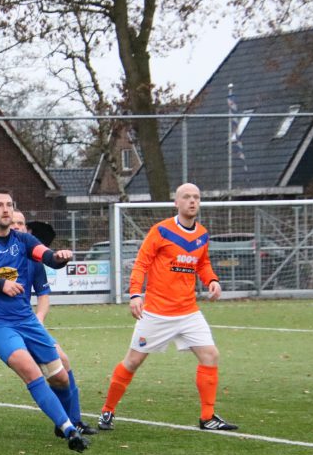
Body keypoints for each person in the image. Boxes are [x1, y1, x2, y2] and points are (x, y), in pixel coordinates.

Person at [0, 189, 89, 453]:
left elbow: (46, 256)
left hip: (27, 321)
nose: (5, 209)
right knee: (28, 370)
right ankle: (69, 429)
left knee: (60, 377)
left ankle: (67, 423)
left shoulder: (23, 240)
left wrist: (59, 258)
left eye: (9, 205)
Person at [97, 183, 238, 432]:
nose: (192, 201)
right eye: (187, 197)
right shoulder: (161, 231)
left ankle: (208, 417)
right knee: (132, 362)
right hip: (156, 312)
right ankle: (107, 411)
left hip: (188, 312)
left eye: (196, 197)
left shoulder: (202, 234)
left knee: (210, 355)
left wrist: (212, 280)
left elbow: (202, 263)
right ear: (177, 202)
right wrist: (135, 295)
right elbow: (141, 264)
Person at [10, 210, 95, 437]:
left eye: (21, 223)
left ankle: (73, 420)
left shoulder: (33, 260)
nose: (17, 226)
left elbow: (44, 296)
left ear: (27, 230)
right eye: (13, 222)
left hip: (26, 323)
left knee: (63, 361)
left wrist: (38, 320)